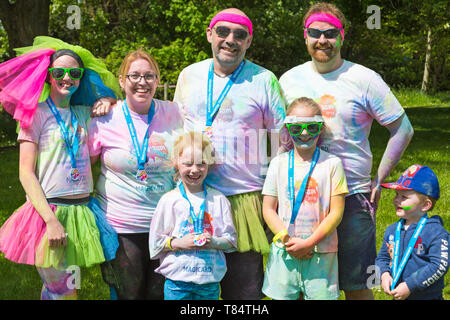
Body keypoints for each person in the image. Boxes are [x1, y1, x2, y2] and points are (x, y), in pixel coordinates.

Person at [279, 2, 414, 300]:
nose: (322, 40)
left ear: (342, 36)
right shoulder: (288, 80)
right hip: (300, 195)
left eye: (330, 33)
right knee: (302, 286)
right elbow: (280, 136)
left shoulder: (364, 79)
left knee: (357, 285)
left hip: (352, 194)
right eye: (315, 32)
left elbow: (403, 129)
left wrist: (379, 177)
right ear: (305, 35)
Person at [173, 8, 286, 300]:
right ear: (210, 34)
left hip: (244, 198)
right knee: (193, 287)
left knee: (244, 291)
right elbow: (176, 130)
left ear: (248, 41)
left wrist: (272, 193)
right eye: (222, 32)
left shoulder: (264, 80)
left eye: (239, 34)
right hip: (195, 197)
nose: (230, 40)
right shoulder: (189, 75)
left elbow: (280, 142)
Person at [0, 37, 120, 300]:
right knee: (65, 291)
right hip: (49, 212)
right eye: (59, 72)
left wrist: (108, 99)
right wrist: (51, 221)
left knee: (60, 289)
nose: (67, 78)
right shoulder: (36, 114)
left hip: (82, 212)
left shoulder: (83, 113)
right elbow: (25, 172)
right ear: (48, 76)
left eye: (74, 73)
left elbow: (119, 109)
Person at [87, 49, 184, 300]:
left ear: (157, 80)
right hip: (122, 226)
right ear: (122, 80)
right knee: (129, 295)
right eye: (135, 76)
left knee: (161, 295)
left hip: (167, 226)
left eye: (149, 76)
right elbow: (84, 166)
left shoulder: (174, 113)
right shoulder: (104, 117)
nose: (143, 82)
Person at [262, 97, 348, 300]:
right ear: (287, 129)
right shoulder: (278, 164)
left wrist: (309, 243)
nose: (304, 133)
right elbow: (268, 209)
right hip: (285, 251)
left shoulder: (332, 164)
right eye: (296, 128)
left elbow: (336, 212)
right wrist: (287, 240)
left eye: (311, 127)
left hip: (321, 253)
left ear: (321, 128)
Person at [149, 131, 237, 300]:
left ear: (209, 163)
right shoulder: (168, 201)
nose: (194, 170)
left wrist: (215, 242)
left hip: (209, 284)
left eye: (201, 164)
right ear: (176, 163)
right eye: (188, 164)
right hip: (177, 284)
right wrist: (178, 243)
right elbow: (156, 242)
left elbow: (231, 240)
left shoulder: (218, 200)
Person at [375, 165, 448, 300]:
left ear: (425, 205)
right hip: (399, 296)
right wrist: (384, 274)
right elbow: (382, 258)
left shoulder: (436, 233)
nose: (396, 200)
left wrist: (410, 285)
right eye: (397, 195)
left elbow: (439, 265)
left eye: (404, 197)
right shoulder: (392, 231)